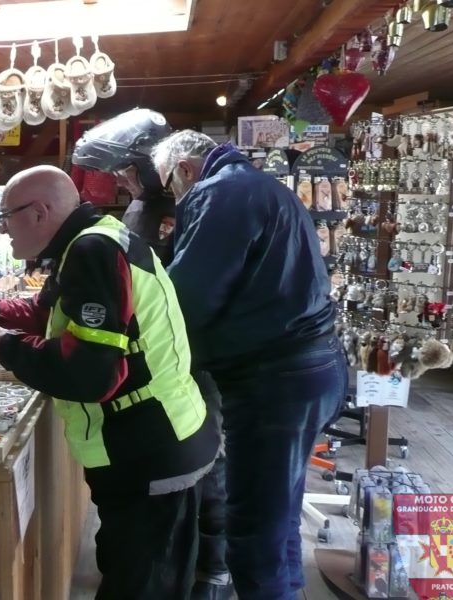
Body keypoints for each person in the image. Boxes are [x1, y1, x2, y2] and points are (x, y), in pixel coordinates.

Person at [0, 165, 219, 599]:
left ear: (38, 212)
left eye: (5, 218)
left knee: (142, 586)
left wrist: (5, 349)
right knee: (133, 572)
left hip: (150, 451)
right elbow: (51, 311)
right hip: (153, 444)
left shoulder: (93, 251)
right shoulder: (89, 240)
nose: (2, 231)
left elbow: (90, 374)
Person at [150, 130, 348, 600]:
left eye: (169, 185)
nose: (173, 197)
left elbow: (188, 298)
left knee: (254, 533)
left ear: (184, 170)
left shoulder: (220, 193)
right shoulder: (257, 187)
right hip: (309, 370)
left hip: (274, 380)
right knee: (277, 518)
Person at [72, 108, 231, 599]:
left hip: (187, 361)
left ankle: (215, 570)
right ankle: (210, 569)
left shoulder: (179, 204)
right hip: (180, 359)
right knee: (200, 474)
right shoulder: (161, 204)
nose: (120, 179)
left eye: (125, 169)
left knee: (206, 474)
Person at [72, 108, 176, 266]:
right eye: (114, 173)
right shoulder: (137, 205)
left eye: (122, 171)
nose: (119, 182)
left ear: (149, 167)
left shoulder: (180, 211)